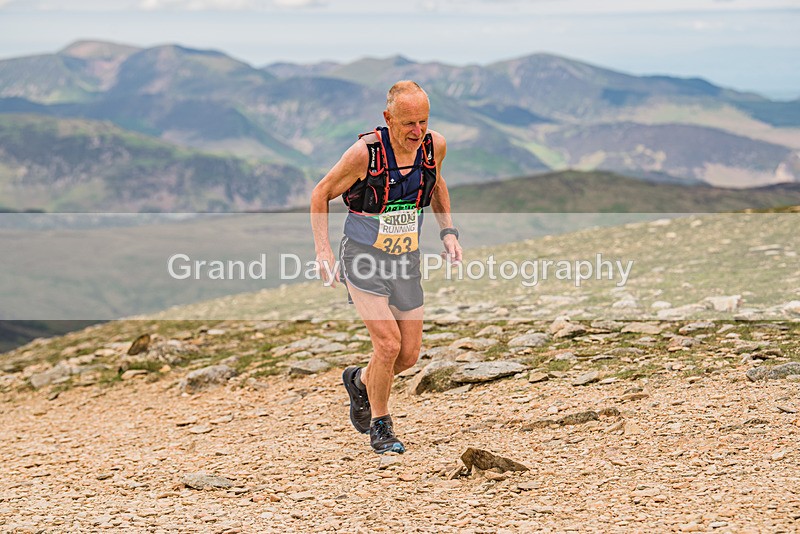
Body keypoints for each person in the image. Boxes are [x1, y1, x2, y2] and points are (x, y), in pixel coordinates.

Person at [310, 80, 462, 454]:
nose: (417, 131)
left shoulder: (434, 146)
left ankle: (360, 380)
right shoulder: (364, 154)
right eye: (409, 123)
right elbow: (321, 192)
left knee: (407, 355)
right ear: (388, 117)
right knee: (388, 343)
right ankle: (381, 425)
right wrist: (323, 250)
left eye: (423, 121)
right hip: (363, 256)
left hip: (406, 258)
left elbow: (437, 183)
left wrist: (448, 232)